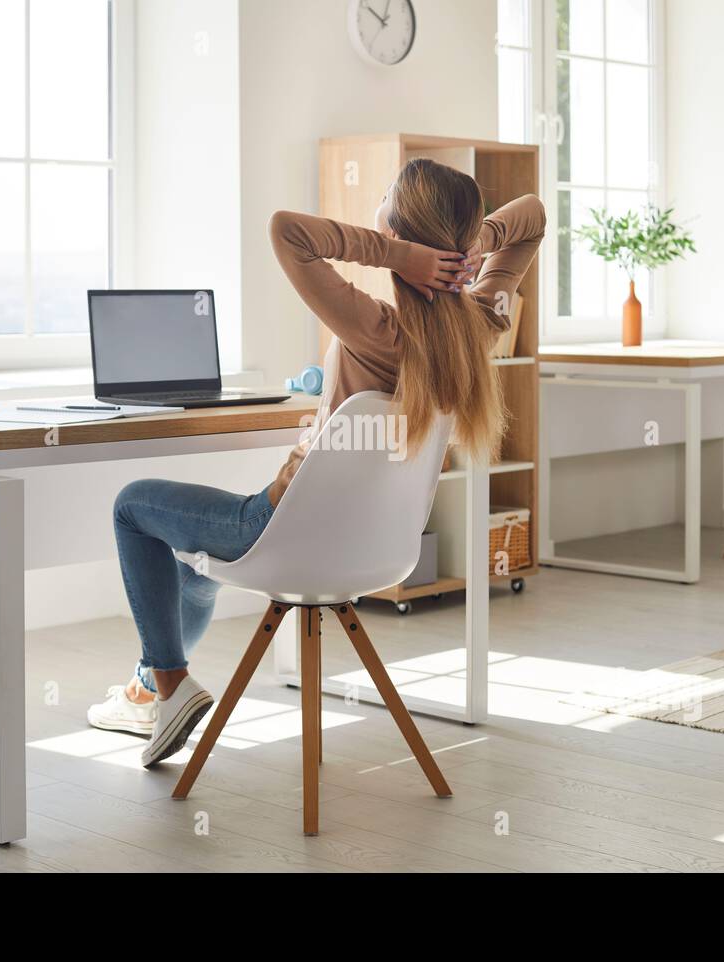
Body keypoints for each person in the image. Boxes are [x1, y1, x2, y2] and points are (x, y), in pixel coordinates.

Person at [87, 158, 545, 766]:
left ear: (401, 231)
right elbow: (533, 217)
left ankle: (170, 687)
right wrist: (473, 246)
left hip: (280, 531)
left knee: (132, 506)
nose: (378, 204)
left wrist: (397, 254)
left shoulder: (378, 328)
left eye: (384, 197)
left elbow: (287, 232)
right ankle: (147, 689)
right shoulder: (481, 325)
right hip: (372, 551)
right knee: (193, 566)